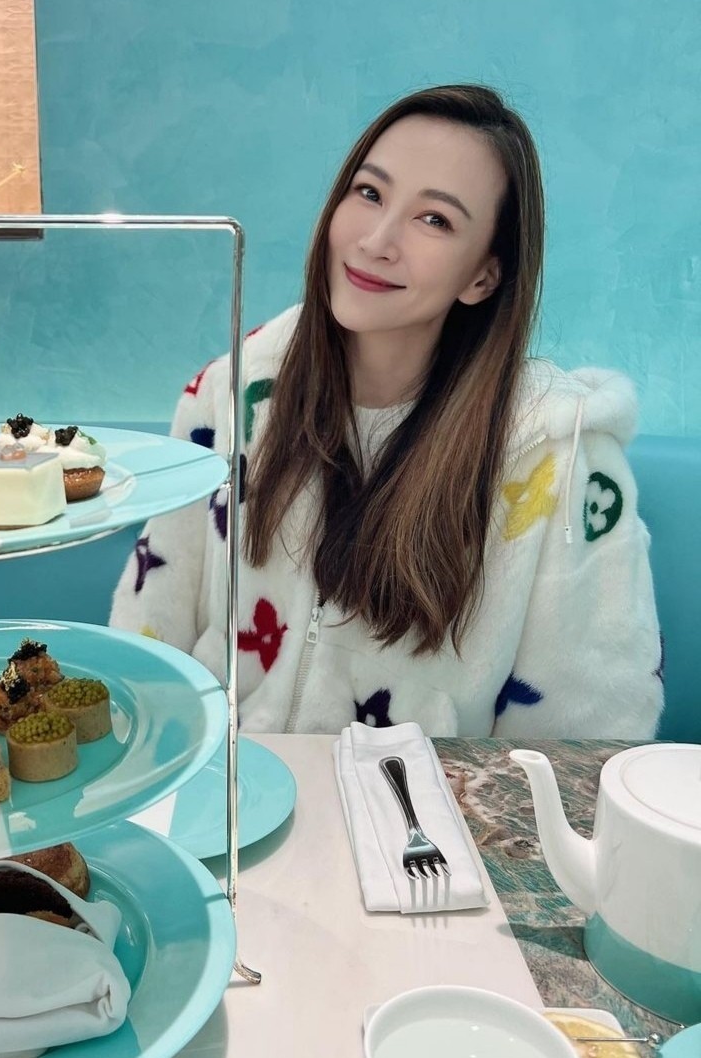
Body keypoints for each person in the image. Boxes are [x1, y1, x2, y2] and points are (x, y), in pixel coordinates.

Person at [110, 84, 663, 739]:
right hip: (231, 783)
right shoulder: (233, 391)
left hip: (427, 802)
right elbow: (149, 638)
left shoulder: (562, 454)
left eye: (435, 220)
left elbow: (590, 737)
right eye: (369, 192)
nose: (376, 240)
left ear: (483, 277)